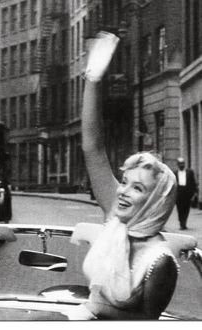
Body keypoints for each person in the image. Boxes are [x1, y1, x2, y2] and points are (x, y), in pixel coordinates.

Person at [66, 32, 180, 321]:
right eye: (124, 182)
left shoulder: (160, 261)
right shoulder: (115, 220)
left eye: (137, 188)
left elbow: (147, 323)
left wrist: (96, 310)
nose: (122, 191)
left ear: (156, 201)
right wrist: (92, 78)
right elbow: (92, 147)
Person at [174, 157, 197, 230]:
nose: (182, 165)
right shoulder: (175, 173)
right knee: (180, 209)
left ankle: (184, 222)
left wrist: (194, 193)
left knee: (186, 209)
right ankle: (182, 223)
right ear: (177, 164)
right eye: (180, 163)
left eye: (183, 163)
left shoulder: (190, 172)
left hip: (187, 193)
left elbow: (193, 183)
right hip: (179, 192)